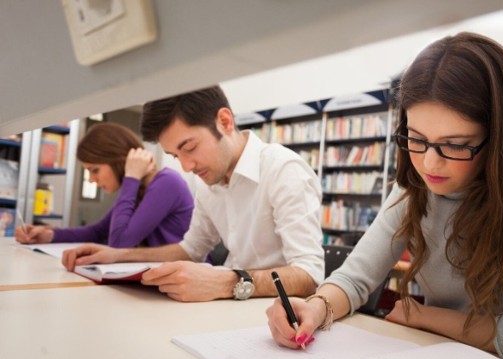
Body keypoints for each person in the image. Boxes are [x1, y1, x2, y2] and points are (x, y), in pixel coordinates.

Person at [266, 32, 503, 359]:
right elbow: (354, 278)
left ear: (499, 138)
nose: (431, 165)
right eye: (416, 139)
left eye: (456, 145)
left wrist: (423, 315)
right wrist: (317, 307)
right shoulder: (415, 181)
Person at [61, 85, 324, 302]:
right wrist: (117, 255)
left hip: (275, 314)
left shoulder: (283, 170)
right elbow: (191, 250)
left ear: (224, 121)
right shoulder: (208, 180)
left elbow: (309, 275)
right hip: (229, 308)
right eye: (176, 156)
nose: (186, 166)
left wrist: (227, 282)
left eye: (190, 147)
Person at [15, 122, 193, 248]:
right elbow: (97, 232)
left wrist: (131, 177)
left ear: (117, 160)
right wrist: (49, 235)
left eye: (95, 170)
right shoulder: (138, 188)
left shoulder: (167, 183)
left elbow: (119, 243)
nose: (92, 179)